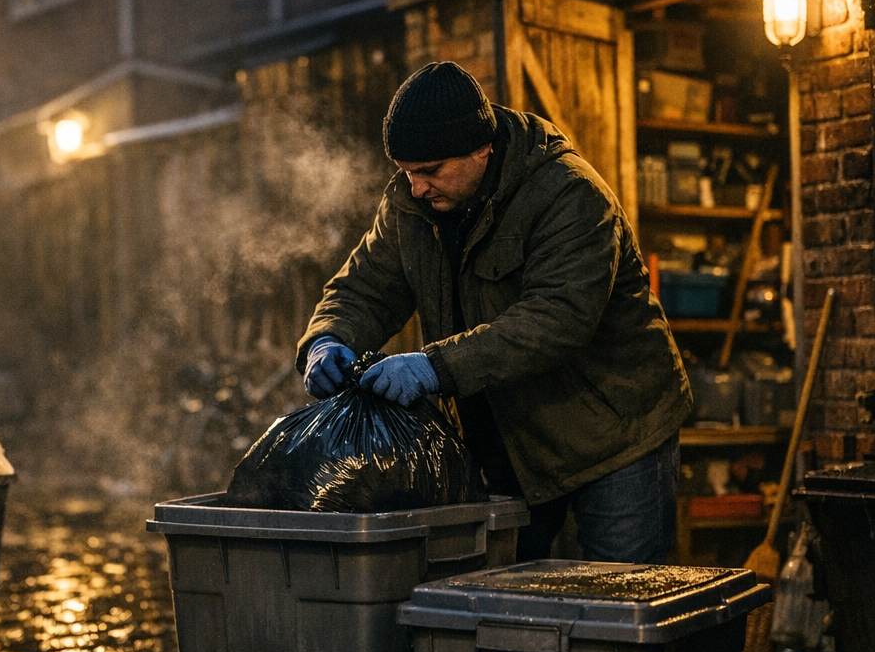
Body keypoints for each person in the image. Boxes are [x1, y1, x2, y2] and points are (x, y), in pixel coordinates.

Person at [297, 61, 692, 564]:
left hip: (616, 439)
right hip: (510, 445)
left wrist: (433, 367)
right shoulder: (411, 206)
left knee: (620, 604)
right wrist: (327, 338)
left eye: (431, 171)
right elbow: (366, 288)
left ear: (481, 148)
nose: (417, 187)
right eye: (407, 172)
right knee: (502, 609)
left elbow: (558, 318)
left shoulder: (571, 195)